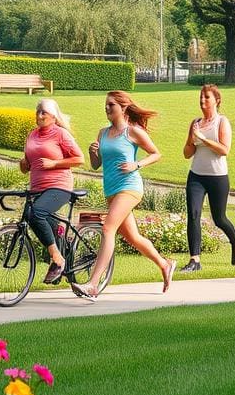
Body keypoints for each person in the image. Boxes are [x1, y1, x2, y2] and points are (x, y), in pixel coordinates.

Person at [72, 92, 177, 301]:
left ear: (123, 108)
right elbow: (96, 165)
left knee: (108, 228)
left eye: (111, 105)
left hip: (130, 187)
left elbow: (156, 153)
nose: (107, 108)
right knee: (132, 237)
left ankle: (93, 285)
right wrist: (93, 153)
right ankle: (165, 264)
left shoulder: (132, 132)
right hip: (111, 189)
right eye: (106, 105)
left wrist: (136, 165)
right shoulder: (102, 133)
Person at [19, 98, 84, 284]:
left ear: (53, 117)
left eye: (43, 113)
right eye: (37, 111)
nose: (39, 116)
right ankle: (60, 241)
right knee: (32, 217)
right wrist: (23, 164)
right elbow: (27, 167)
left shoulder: (60, 134)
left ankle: (57, 258)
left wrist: (54, 163)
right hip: (37, 188)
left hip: (59, 186)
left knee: (36, 213)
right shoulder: (32, 135)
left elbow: (80, 159)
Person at [180, 84, 235, 272]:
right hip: (196, 176)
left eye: (207, 97)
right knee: (193, 214)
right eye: (201, 97)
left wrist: (204, 139)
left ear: (216, 100)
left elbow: (224, 150)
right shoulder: (195, 123)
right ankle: (195, 260)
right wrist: (192, 139)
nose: (202, 100)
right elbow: (186, 153)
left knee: (219, 219)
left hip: (217, 177)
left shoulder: (222, 122)